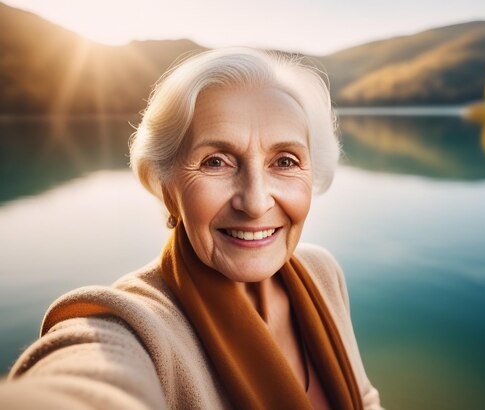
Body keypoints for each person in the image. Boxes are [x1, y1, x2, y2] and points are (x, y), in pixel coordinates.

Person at [0, 47, 383, 409]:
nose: (255, 202)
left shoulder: (322, 273)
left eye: (285, 161)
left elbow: (363, 399)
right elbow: (82, 381)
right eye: (216, 162)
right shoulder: (134, 325)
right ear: (168, 189)